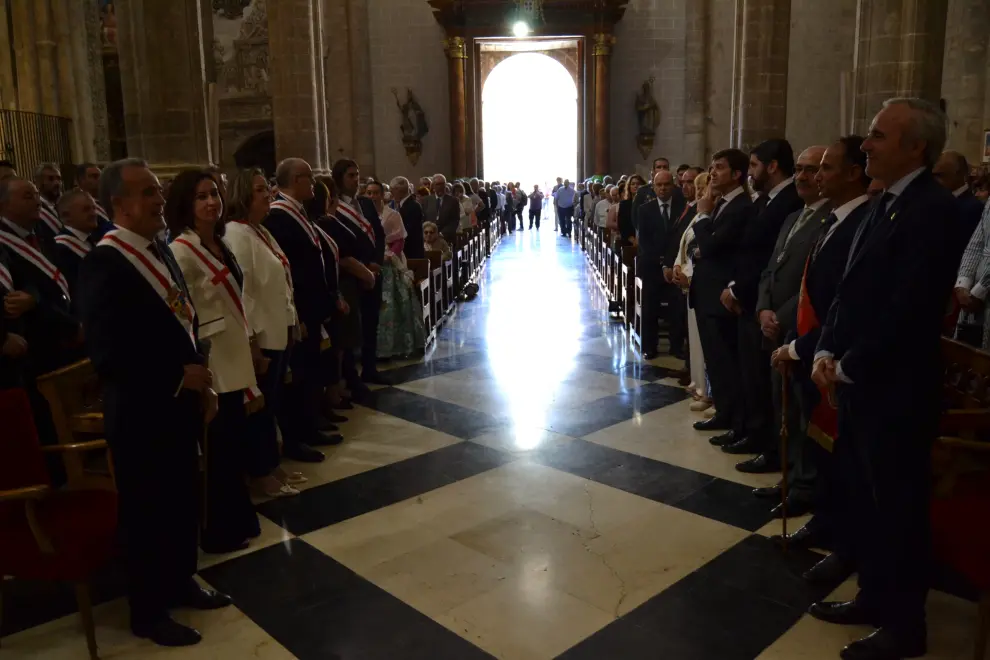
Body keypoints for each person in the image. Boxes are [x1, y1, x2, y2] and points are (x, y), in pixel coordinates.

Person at [809, 98, 957, 660]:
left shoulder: (931, 208)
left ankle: (904, 627)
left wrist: (849, 362)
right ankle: (873, 596)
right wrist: (827, 346)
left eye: (877, 136)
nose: (864, 145)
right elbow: (852, 289)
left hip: (897, 388)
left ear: (916, 146)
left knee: (898, 508)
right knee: (866, 500)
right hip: (861, 382)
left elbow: (908, 308)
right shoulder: (885, 202)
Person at [79, 158, 231, 647]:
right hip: (142, 409)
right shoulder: (105, 261)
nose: (159, 199)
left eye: (158, 191)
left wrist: (200, 380)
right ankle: (147, 609)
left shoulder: (158, 250)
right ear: (119, 205)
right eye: (147, 193)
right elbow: (108, 352)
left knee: (182, 497)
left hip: (178, 401)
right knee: (147, 509)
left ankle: (180, 577)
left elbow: (179, 321)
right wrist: (174, 376)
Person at [768, 136, 870, 570]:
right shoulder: (834, 220)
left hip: (837, 358)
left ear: (852, 173)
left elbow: (843, 300)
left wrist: (802, 346)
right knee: (821, 446)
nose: (815, 176)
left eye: (826, 168)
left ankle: (846, 540)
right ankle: (827, 520)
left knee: (842, 457)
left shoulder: (861, 220)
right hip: (818, 348)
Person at [166, 170, 262, 553]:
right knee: (218, 447)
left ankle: (239, 517)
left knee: (233, 443)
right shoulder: (180, 250)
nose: (211, 203)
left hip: (235, 352)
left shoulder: (219, 244)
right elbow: (177, 306)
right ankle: (218, 530)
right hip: (213, 357)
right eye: (201, 196)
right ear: (186, 204)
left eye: (214, 194)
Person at [714, 139, 803, 462]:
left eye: (753, 165)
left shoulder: (789, 202)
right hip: (750, 298)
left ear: (773, 166)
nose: (750, 173)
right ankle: (748, 429)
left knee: (760, 380)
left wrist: (741, 290)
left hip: (762, 303)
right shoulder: (767, 200)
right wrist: (735, 286)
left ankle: (764, 441)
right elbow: (748, 251)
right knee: (748, 374)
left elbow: (770, 257)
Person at [750, 145, 829, 498]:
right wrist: (762, 308)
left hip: (799, 328)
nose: (803, 176)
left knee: (800, 410)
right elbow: (771, 268)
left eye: (812, 169)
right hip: (774, 324)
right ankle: (788, 474)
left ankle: (803, 483)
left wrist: (778, 317)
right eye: (799, 169)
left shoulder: (829, 220)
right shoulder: (792, 216)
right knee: (781, 404)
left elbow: (813, 283)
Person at [224, 168, 306, 498]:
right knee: (259, 409)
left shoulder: (259, 231)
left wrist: (292, 318)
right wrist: (252, 341)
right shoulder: (236, 234)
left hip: (278, 329)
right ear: (244, 195)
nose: (268, 194)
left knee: (271, 404)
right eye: (260, 190)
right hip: (261, 336)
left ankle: (271, 465)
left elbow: (280, 279)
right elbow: (243, 293)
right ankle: (260, 473)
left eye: (267, 188)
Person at [263, 158, 332, 463]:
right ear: (294, 180)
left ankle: (311, 425)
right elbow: (288, 270)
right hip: (299, 310)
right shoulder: (280, 217)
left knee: (310, 370)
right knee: (298, 375)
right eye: (309, 177)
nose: (314, 183)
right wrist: (299, 315)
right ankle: (297, 436)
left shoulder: (297, 212)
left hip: (311, 307)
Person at [690, 149, 755, 434]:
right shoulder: (723, 203)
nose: (713, 172)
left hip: (720, 298)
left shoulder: (740, 205)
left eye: (719, 167)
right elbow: (705, 247)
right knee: (716, 363)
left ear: (737, 174)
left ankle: (735, 421)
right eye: (712, 167)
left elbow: (713, 246)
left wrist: (703, 216)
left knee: (727, 365)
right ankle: (724, 414)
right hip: (708, 295)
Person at [0, 177, 81, 375]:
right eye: (28, 197)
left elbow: (55, 285)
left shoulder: (42, 235)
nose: (37, 201)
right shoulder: (3, 243)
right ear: (4, 204)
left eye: (37, 195)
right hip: (34, 351)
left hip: (63, 340)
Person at [332, 159, 389, 387]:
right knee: (352, 328)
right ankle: (351, 376)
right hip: (352, 276)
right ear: (339, 179)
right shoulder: (334, 207)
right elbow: (342, 245)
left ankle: (370, 367)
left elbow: (379, 235)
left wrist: (375, 262)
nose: (356, 180)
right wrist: (364, 266)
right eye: (350, 176)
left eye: (357, 175)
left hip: (372, 272)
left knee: (371, 322)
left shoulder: (365, 203)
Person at [367, 180, 426, 358]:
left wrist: (388, 255)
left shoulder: (392, 215)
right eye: (368, 193)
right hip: (371, 263)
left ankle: (396, 345)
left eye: (375, 193)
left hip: (390, 262)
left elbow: (399, 240)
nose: (372, 196)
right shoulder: (362, 214)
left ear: (382, 195)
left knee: (393, 304)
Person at [637, 171, 686, 359]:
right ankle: (650, 346)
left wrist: (671, 263)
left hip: (675, 266)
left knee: (676, 307)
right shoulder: (645, 209)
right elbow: (645, 242)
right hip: (652, 266)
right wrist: (661, 262)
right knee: (650, 308)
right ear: (654, 187)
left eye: (667, 184)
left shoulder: (682, 208)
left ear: (673, 185)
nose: (663, 188)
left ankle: (676, 346)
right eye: (659, 185)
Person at [673, 171, 709, 405]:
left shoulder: (707, 216)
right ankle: (698, 384)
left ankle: (706, 391)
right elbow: (684, 246)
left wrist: (686, 272)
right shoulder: (697, 215)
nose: (697, 191)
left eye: (700, 186)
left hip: (699, 284)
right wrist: (678, 266)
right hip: (689, 284)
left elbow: (702, 252)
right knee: (694, 338)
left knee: (702, 342)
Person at [933, 150, 986, 264]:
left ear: (959, 174)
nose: (936, 181)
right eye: (933, 176)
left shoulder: (973, 208)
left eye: (941, 175)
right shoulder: (937, 201)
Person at [53, 189, 100, 304]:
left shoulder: (91, 240)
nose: (94, 213)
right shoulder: (60, 249)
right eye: (86, 209)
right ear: (66, 216)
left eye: (94, 208)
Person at [76, 162, 113, 239]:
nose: (99, 180)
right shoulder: (75, 204)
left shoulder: (107, 200)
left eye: (100, 176)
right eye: (94, 176)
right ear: (81, 180)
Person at [392, 176, 424, 259]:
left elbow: (406, 231)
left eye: (392, 190)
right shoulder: (403, 205)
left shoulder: (413, 206)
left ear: (398, 190)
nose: (391, 194)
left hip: (411, 253)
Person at [618, 174, 646, 247]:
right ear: (629, 187)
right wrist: (632, 239)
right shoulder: (624, 204)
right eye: (633, 184)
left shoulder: (647, 203)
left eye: (638, 184)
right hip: (629, 242)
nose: (635, 186)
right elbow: (622, 225)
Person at [432, 174, 460, 243]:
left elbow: (455, 220)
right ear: (433, 186)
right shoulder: (427, 200)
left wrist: (442, 234)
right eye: (438, 184)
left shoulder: (453, 201)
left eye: (442, 184)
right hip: (429, 237)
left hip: (447, 238)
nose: (440, 186)